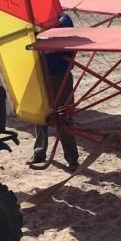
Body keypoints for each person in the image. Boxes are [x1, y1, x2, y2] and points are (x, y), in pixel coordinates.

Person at [29, 12, 79, 169]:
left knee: (64, 117)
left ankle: (72, 159)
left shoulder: (64, 20)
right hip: (40, 73)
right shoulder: (33, 20)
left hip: (60, 75)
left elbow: (61, 45)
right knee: (39, 114)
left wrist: (39, 43)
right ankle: (39, 153)